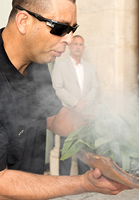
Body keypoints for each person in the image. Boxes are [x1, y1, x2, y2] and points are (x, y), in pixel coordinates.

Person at [0, 0, 131, 198]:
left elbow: (55, 117)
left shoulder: (37, 62)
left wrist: (112, 132)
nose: (69, 39)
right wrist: (85, 182)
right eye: (60, 28)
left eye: (73, 28)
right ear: (24, 21)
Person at [50, 34, 98, 176]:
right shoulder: (60, 65)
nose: (78, 46)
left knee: (84, 149)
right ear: (70, 47)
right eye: (75, 44)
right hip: (67, 114)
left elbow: (95, 88)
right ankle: (63, 183)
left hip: (85, 115)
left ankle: (84, 180)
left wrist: (84, 104)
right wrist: (76, 103)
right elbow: (57, 88)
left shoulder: (90, 67)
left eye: (80, 44)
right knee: (65, 149)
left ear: (83, 48)